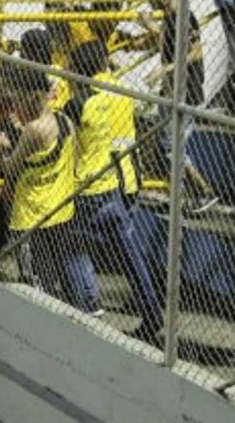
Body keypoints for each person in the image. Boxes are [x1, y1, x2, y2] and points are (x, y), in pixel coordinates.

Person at [65, 41, 162, 340]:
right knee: (128, 249)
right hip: (128, 177)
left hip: (95, 180)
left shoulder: (84, 98)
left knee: (73, 241)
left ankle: (86, 302)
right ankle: (150, 307)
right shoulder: (123, 90)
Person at [0, 66, 98, 314]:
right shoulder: (64, 120)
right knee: (57, 273)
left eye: (17, 97)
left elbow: (10, 169)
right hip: (60, 210)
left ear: (32, 95)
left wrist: (0, 147)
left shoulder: (33, 130)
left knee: (37, 284)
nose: (15, 103)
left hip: (31, 217)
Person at [134, 0, 218, 213]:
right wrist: (147, 28)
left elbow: (196, 51)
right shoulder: (171, 18)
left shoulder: (183, 15)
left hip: (185, 90)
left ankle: (204, 192)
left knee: (172, 146)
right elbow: (168, 42)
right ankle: (188, 195)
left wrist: (165, 69)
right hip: (172, 91)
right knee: (168, 144)